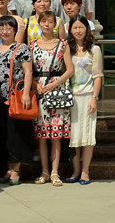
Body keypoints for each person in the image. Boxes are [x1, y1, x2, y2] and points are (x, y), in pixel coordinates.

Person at [30, 11, 74, 187]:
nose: (47, 25)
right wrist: (36, 85)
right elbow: (29, 70)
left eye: (50, 22)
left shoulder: (63, 44)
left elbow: (69, 69)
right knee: (42, 135)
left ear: (55, 24)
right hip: (39, 90)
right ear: (39, 24)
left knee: (56, 134)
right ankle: (44, 171)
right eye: (44, 21)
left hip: (57, 90)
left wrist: (54, 84)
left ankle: (55, 172)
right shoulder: (32, 45)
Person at [0, 15, 34, 186]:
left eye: (8, 28)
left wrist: (26, 94)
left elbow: (28, 71)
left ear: (15, 30)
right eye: (1, 28)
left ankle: (16, 169)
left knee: (18, 134)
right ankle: (9, 169)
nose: (5, 31)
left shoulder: (22, 48)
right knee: (5, 135)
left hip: (17, 97)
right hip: (0, 98)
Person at [66, 16, 101, 185]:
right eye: (75, 28)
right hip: (71, 98)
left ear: (87, 29)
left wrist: (94, 98)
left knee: (87, 136)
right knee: (73, 137)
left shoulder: (94, 50)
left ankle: (85, 171)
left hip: (87, 96)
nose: (78, 31)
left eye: (81, 27)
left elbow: (98, 76)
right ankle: (76, 171)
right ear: (70, 30)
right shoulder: (67, 48)